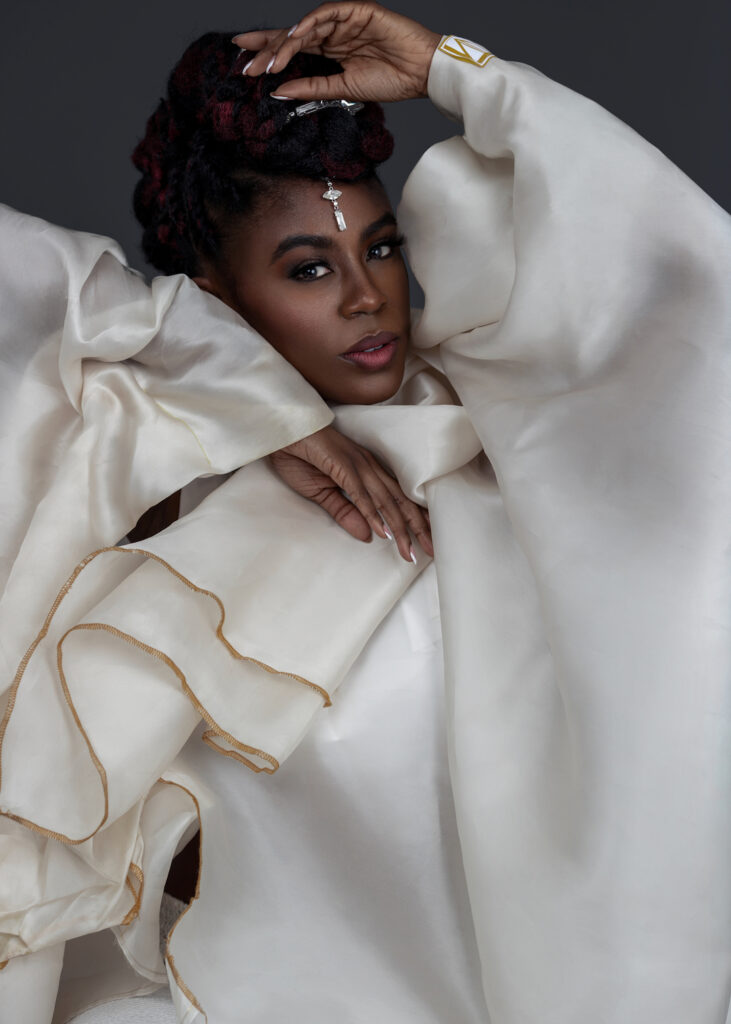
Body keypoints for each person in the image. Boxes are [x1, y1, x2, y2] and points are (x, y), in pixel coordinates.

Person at [1, 4, 729, 1023]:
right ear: (210, 287)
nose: (365, 298)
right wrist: (220, 376)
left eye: (381, 248)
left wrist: (452, 71)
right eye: (308, 268)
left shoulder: (499, 429)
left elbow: (687, 296)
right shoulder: (136, 467)